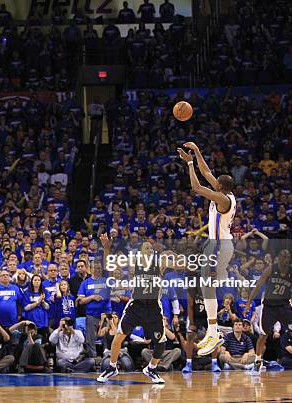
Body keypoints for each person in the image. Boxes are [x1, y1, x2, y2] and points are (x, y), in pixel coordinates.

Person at [178, 142, 237, 356]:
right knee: (207, 286)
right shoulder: (225, 193)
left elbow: (197, 188)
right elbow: (208, 172)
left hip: (219, 246)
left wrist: (190, 164)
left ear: (219, 187)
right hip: (220, 245)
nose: (213, 181)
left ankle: (214, 332)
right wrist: (196, 152)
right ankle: (213, 331)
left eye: (215, 183)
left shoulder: (221, 198)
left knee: (207, 285)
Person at [97, 234, 177, 384]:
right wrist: (106, 248)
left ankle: (151, 368)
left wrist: (175, 255)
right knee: (118, 337)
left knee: (160, 342)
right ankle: (112, 367)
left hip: (153, 307)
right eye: (146, 247)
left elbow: (181, 265)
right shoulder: (134, 264)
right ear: (140, 251)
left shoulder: (160, 264)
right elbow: (110, 265)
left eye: (151, 248)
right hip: (136, 306)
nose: (149, 249)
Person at [180, 271, 221, 373]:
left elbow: (213, 307)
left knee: (214, 336)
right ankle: (188, 363)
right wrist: (192, 323)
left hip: (208, 317)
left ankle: (214, 363)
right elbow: (190, 307)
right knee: (190, 336)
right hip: (196, 317)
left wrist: (212, 323)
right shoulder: (192, 290)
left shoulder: (211, 289)